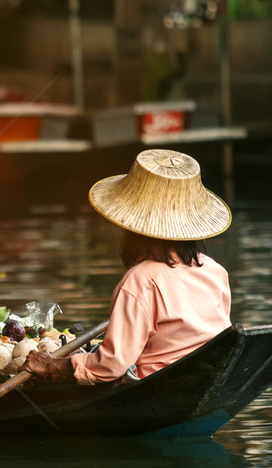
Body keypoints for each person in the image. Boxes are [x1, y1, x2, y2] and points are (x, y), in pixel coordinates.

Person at [20, 149, 232, 385]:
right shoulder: (215, 270)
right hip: (207, 378)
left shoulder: (140, 280)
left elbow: (110, 366)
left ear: (133, 230)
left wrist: (50, 363)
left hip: (157, 385)